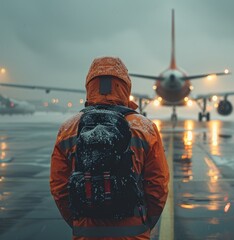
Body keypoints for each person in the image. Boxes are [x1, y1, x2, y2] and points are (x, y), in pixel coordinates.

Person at [50, 56, 169, 240]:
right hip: (134, 234)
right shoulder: (144, 127)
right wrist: (146, 222)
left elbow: (59, 187)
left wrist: (77, 222)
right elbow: (157, 186)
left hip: (86, 234)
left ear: (90, 86)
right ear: (124, 86)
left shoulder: (68, 128)